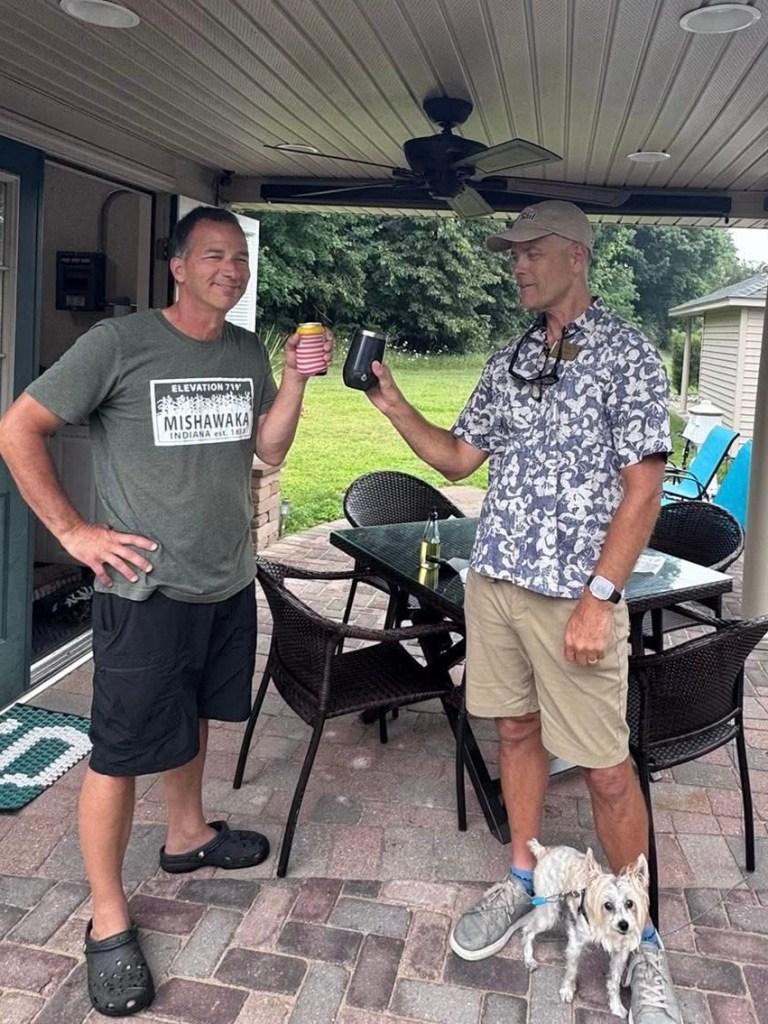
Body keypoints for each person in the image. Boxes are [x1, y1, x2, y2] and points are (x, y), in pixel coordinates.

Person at [0, 205, 332, 1017]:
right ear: (178, 266)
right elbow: (19, 429)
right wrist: (73, 532)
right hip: (143, 591)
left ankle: (187, 835)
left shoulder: (244, 350)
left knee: (195, 716)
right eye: (213, 255)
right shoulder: (119, 344)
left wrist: (295, 379)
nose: (231, 269)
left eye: (239, 257)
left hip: (224, 580)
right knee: (117, 753)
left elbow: (269, 449)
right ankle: (107, 916)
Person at [366, 200, 681, 1023]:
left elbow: (644, 488)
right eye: (512, 254)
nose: (517, 265)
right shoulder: (512, 357)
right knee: (512, 731)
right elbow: (457, 457)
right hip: (498, 581)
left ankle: (643, 942)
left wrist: (600, 598)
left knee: (606, 768)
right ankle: (525, 877)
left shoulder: (627, 356)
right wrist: (392, 401)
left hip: (576, 594)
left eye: (531, 251)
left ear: (576, 255)